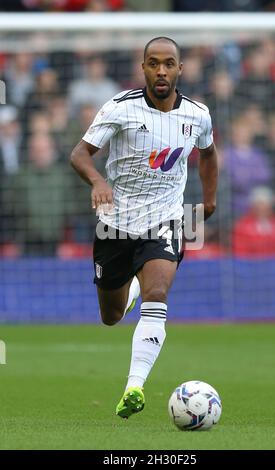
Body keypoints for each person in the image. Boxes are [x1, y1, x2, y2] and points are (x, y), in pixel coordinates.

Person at [70, 37, 218, 419]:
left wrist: (211, 198)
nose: (162, 70)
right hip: (115, 226)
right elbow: (79, 154)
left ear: (180, 68)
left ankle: (133, 386)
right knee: (112, 315)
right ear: (144, 68)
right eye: (154, 63)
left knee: (158, 292)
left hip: (165, 219)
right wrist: (99, 183)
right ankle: (130, 288)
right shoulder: (120, 108)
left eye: (169, 63)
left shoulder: (198, 114)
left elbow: (209, 153)